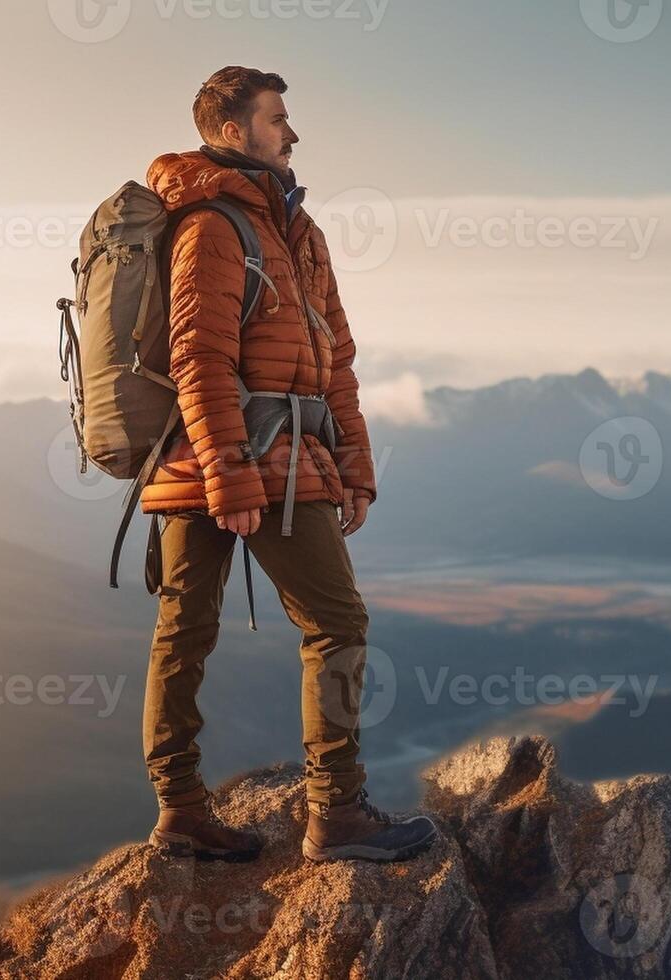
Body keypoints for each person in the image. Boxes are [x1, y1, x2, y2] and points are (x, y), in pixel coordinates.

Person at [135, 66, 435, 864]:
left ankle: (185, 815)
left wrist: (358, 467)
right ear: (232, 130)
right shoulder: (212, 224)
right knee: (331, 624)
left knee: (183, 633)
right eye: (276, 119)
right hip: (251, 462)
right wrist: (232, 476)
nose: (291, 133)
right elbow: (198, 354)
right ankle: (332, 815)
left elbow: (335, 362)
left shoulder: (298, 234)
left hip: (237, 459)